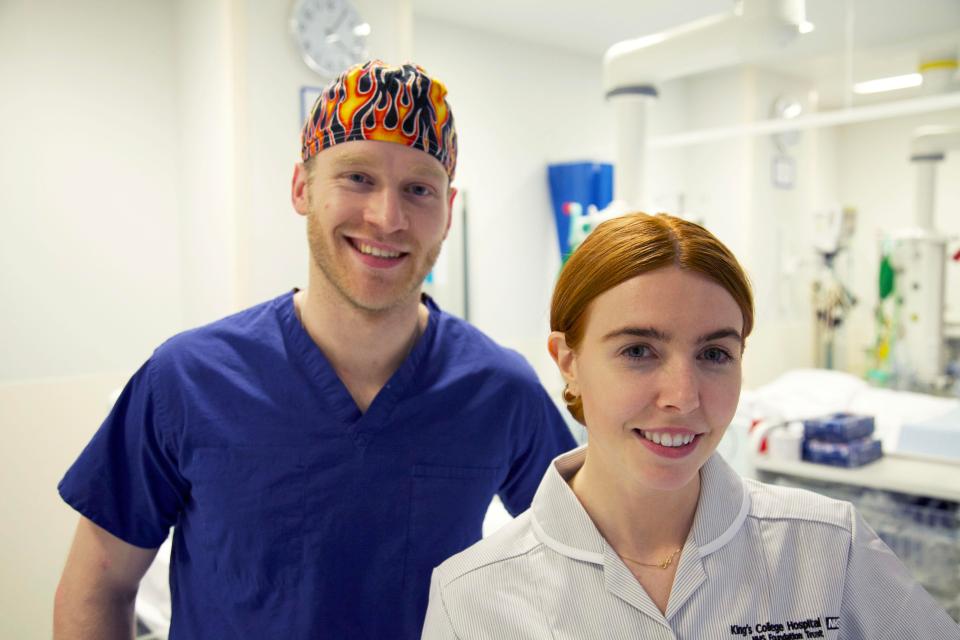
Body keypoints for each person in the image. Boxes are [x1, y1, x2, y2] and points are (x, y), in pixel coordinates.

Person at [54, 60, 576, 640]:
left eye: (418, 189)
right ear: (302, 187)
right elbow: (98, 588)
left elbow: (584, 569)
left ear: (448, 212)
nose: (387, 217)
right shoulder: (186, 380)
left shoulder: (500, 390)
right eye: (357, 178)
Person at [421, 212, 960, 639]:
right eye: (638, 350)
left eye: (715, 353)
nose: (682, 396)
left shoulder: (826, 548)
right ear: (568, 361)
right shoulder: (472, 597)